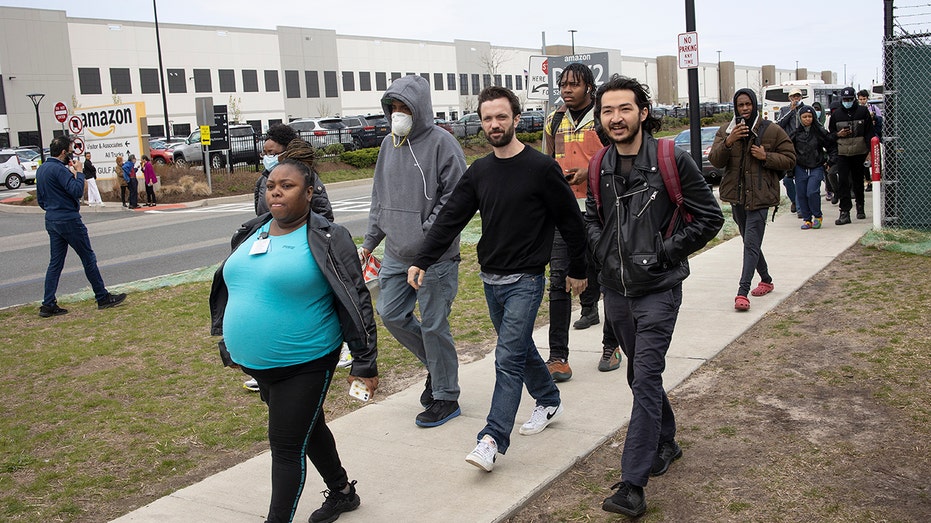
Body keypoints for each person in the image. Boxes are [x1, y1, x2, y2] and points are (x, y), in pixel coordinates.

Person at [407, 86, 588, 471]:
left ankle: (491, 439)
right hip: (491, 280)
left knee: (506, 357)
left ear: (516, 119)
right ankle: (548, 398)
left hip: (526, 279)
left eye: (501, 116)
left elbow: (572, 223)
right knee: (519, 349)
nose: (494, 124)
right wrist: (422, 258)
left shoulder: (541, 168)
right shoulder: (480, 171)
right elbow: (450, 218)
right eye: (487, 118)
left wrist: (578, 268)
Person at [209, 159, 378, 523]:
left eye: (287, 186)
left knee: (286, 448)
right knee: (308, 425)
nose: (276, 191)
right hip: (259, 366)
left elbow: (356, 299)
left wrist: (365, 362)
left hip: (305, 362)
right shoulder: (252, 231)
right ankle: (343, 492)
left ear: (310, 192)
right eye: (271, 185)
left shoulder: (329, 237)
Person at [585, 75, 723, 518]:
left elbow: (709, 218)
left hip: (659, 289)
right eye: (607, 111)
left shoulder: (670, 159)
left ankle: (632, 485)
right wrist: (599, 249)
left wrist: (666, 251)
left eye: (624, 109)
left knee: (644, 376)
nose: (616, 118)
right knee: (637, 376)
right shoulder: (599, 165)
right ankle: (666, 440)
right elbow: (592, 217)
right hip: (616, 290)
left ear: (642, 112)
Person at [361, 74, 467, 428]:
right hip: (395, 254)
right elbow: (380, 199)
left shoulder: (443, 143)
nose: (397, 114)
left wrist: (427, 237)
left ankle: (446, 396)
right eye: (392, 107)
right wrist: (368, 243)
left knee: (435, 324)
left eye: (404, 107)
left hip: (435, 257)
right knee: (390, 313)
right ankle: (437, 369)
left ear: (420, 108)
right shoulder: (388, 145)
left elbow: (455, 200)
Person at [543, 62, 622, 378]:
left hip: (602, 211)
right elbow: (547, 162)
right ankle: (558, 357)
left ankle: (611, 346)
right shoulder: (554, 120)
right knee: (559, 281)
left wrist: (589, 175)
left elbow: (619, 161)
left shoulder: (604, 119)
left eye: (573, 84)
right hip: (563, 213)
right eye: (563, 84)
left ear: (589, 87)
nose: (566, 89)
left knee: (610, 277)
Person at [242, 137, 335, 393]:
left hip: (308, 355)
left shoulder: (313, 188)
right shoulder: (265, 182)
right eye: (271, 186)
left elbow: (325, 216)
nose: (275, 190)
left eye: (274, 152)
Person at [708, 88, 796, 311]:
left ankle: (742, 292)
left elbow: (790, 159)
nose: (744, 109)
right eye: (740, 105)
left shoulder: (772, 130)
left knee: (751, 243)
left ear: (754, 104)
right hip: (736, 196)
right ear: (735, 107)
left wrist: (766, 156)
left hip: (760, 196)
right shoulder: (726, 130)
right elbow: (715, 161)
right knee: (750, 242)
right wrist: (729, 141)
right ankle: (766, 279)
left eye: (748, 104)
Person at [36, 135, 127, 318]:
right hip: (69, 219)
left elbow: (41, 200)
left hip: (52, 219)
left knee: (55, 263)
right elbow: (77, 191)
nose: (72, 153)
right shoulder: (60, 170)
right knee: (88, 258)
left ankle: (48, 303)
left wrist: (54, 208)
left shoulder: (42, 169)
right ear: (64, 152)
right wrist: (78, 172)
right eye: (70, 150)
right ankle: (102, 297)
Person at [828, 86, 874, 224]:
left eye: (849, 99)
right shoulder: (836, 115)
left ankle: (860, 207)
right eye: (845, 99)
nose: (847, 101)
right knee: (843, 182)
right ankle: (844, 212)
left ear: (854, 98)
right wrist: (838, 134)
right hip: (843, 153)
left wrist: (870, 152)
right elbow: (830, 135)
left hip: (859, 152)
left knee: (858, 182)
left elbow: (869, 133)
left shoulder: (862, 111)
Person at [790, 106, 837, 229]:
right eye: (804, 117)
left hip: (816, 166)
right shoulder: (795, 134)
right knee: (801, 193)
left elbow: (831, 146)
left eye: (810, 116)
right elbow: (788, 150)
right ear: (800, 118)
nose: (807, 119)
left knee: (812, 192)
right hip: (800, 167)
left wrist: (830, 161)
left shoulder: (819, 131)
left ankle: (817, 216)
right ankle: (807, 219)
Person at [255, 123, 299, 216]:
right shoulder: (262, 181)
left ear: (286, 152)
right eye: (265, 153)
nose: (267, 157)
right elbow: (260, 214)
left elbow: (322, 214)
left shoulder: (304, 176)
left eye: (271, 153)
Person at [776, 87, 805, 216]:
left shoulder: (805, 109)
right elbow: (779, 124)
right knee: (788, 180)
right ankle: (794, 200)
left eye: (798, 96)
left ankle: (800, 208)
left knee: (799, 178)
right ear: (789, 98)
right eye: (793, 96)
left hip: (802, 148)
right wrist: (791, 111)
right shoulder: (784, 110)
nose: (796, 99)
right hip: (788, 148)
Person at [811, 101, 836, 202]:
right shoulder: (810, 123)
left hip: (827, 152)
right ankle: (828, 189)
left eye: (817, 110)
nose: (816, 112)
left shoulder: (826, 121)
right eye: (814, 110)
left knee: (828, 171)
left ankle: (830, 189)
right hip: (816, 153)